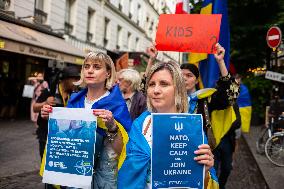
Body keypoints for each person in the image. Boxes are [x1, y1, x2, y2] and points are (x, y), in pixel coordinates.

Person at [118, 61, 218, 189]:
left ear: (178, 88)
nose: (156, 90)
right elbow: (127, 171)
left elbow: (199, 182)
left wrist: (205, 170)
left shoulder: (192, 127)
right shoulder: (140, 124)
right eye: (151, 84)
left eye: (164, 84)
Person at [41, 52, 132, 189]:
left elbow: (122, 151)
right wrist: (52, 118)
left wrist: (112, 127)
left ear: (108, 73)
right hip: (72, 175)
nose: (90, 70)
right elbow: (65, 139)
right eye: (86, 66)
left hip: (102, 180)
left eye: (96, 67)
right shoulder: (75, 99)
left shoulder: (117, 104)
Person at [180, 44, 240, 148]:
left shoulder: (206, 99)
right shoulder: (171, 99)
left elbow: (231, 95)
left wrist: (220, 62)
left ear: (197, 80)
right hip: (176, 150)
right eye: (181, 76)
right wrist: (151, 61)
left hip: (201, 152)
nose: (184, 78)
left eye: (189, 75)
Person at [33, 65, 81, 160]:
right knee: (46, 162)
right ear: (65, 79)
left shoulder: (75, 93)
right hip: (46, 134)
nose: (76, 83)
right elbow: (35, 107)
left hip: (64, 136)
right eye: (74, 80)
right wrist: (45, 103)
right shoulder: (50, 91)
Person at [213, 103, 241, 189]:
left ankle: (221, 186)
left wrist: (223, 126)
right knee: (213, 169)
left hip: (227, 141)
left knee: (227, 168)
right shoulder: (213, 102)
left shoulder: (234, 104)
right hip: (214, 141)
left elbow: (238, 122)